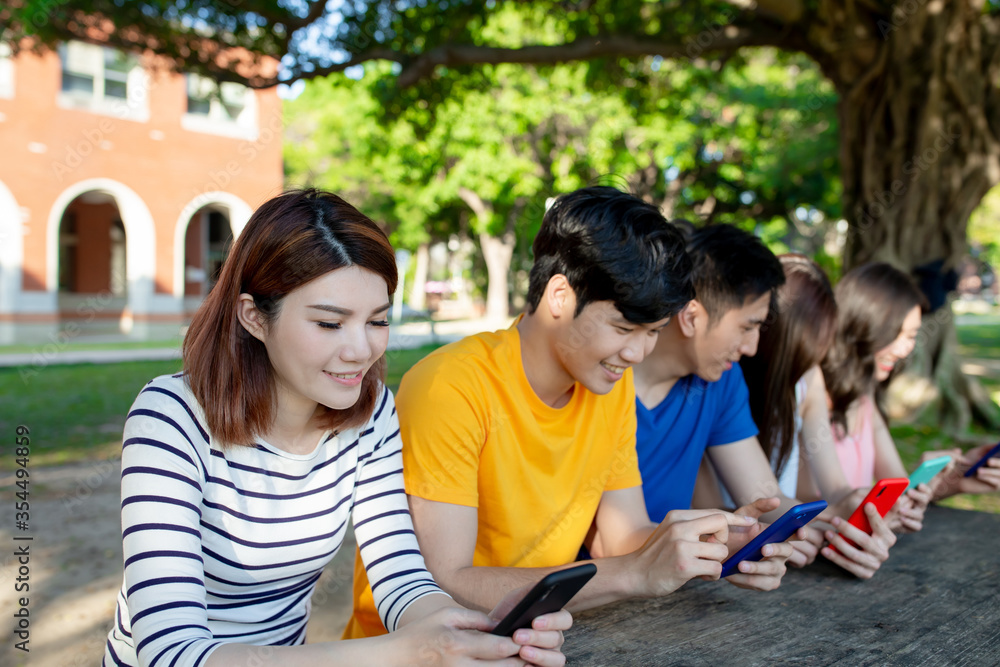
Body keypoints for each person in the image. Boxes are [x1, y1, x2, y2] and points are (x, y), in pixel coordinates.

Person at [103, 190, 570, 667]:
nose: (360, 351)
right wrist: (411, 652)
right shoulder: (170, 418)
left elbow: (400, 579)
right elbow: (171, 652)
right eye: (330, 324)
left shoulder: (372, 416)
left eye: (378, 320)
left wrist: (476, 631)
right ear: (253, 317)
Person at [344, 186, 792, 640]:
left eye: (653, 331)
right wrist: (633, 573)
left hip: (533, 641)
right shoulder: (452, 386)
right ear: (560, 295)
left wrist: (716, 548)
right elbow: (445, 584)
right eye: (623, 328)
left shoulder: (608, 387)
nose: (637, 352)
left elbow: (623, 538)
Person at [632, 225, 825, 569]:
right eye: (747, 327)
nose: (751, 347)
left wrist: (826, 530)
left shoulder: (721, 379)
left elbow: (765, 497)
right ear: (691, 316)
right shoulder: (604, 380)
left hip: (673, 586)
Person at [737, 255, 902, 579]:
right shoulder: (723, 385)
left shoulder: (808, 380)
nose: (820, 359)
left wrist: (854, 509)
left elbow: (836, 489)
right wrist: (788, 529)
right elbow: (713, 507)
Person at [818, 262, 1000, 508]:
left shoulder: (864, 394)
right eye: (897, 335)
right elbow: (829, 508)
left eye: (912, 336)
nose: (905, 350)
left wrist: (959, 478)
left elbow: (895, 496)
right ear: (864, 325)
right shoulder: (809, 394)